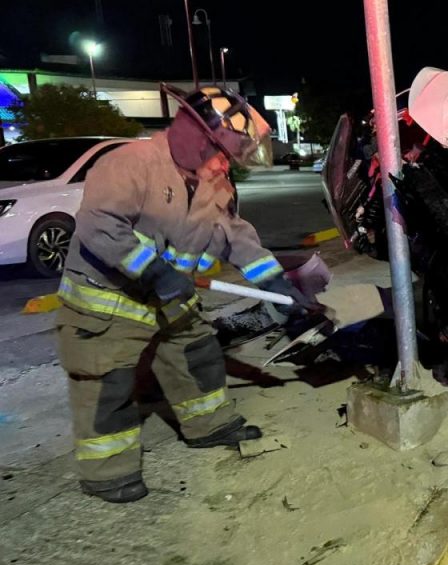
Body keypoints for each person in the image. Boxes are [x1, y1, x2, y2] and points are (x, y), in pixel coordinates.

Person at [55, 85, 315, 503]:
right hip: (107, 301)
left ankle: (208, 426)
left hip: (169, 297)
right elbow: (100, 227)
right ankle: (108, 472)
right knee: (109, 384)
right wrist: (155, 271)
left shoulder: (213, 181)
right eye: (220, 153)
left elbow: (234, 235)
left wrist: (272, 282)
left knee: (197, 353)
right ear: (194, 133)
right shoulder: (130, 165)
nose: (222, 165)